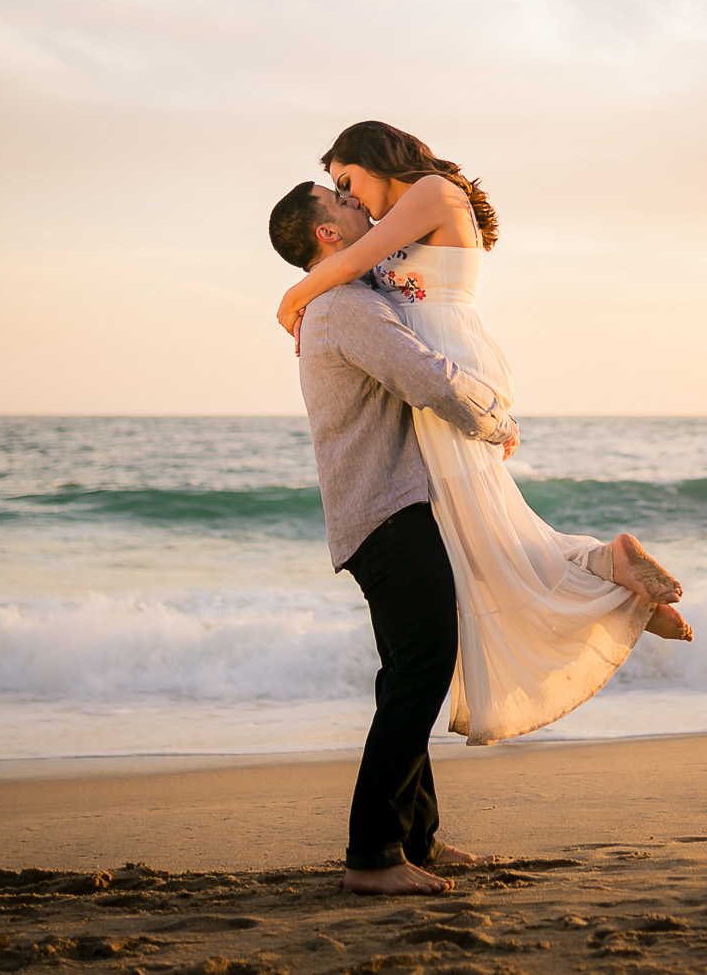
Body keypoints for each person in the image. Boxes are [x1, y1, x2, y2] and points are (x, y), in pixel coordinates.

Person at [274, 121, 690, 749]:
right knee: (482, 529)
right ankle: (609, 575)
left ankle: (611, 588)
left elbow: (353, 260)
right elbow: (351, 262)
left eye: (346, 179)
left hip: (450, 362)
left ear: (373, 158)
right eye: (338, 191)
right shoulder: (401, 219)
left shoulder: (434, 192)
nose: (350, 194)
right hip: (439, 361)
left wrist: (293, 297)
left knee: (482, 530)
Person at [267, 179, 513, 896]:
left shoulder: (342, 295)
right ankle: (371, 854)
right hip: (386, 513)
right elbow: (424, 377)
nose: (358, 205)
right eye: (339, 201)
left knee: (410, 672)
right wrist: (498, 418)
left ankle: (415, 839)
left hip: (383, 512)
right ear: (326, 235)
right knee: (420, 673)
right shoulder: (345, 306)